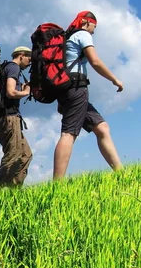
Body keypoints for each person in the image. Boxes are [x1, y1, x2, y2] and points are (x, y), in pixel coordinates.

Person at [53, 11, 124, 180]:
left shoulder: (68, 38)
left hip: (68, 90)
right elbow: (95, 61)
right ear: (86, 22)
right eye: (94, 27)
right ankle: (56, 185)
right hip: (76, 88)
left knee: (102, 128)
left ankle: (122, 175)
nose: (93, 31)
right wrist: (114, 79)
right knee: (68, 133)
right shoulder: (82, 34)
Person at [0, 46, 33, 187]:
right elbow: (11, 92)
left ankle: (14, 189)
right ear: (21, 55)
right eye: (29, 58)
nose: (30, 62)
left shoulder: (6, 68)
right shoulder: (13, 68)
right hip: (9, 117)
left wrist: (20, 90)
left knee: (26, 154)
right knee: (13, 154)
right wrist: (26, 91)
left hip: (5, 117)